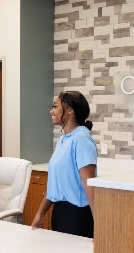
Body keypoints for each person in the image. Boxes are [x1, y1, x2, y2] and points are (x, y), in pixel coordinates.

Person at [31, 91, 97, 238]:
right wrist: (40, 214)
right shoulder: (64, 140)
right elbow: (53, 184)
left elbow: (89, 185)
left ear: (70, 110)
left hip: (77, 215)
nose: (51, 111)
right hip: (59, 211)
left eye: (55, 106)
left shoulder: (81, 139)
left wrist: (99, 223)